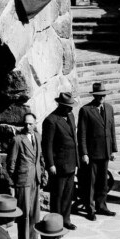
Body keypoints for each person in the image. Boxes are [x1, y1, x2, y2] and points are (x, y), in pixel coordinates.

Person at [77, 82, 117, 220]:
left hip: (105, 151)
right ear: (94, 95)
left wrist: (113, 150)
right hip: (92, 154)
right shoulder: (86, 110)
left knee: (103, 182)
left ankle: (102, 206)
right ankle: (90, 208)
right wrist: (84, 153)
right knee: (90, 183)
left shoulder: (109, 108)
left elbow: (112, 130)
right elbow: (81, 134)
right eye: (99, 95)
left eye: (103, 95)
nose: (101, 98)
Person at [42, 92, 79, 230]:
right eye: (68, 106)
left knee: (69, 194)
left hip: (71, 162)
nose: (71, 109)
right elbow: (47, 145)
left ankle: (66, 219)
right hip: (58, 165)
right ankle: (55, 223)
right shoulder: (51, 120)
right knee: (57, 195)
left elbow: (74, 139)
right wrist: (50, 164)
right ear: (61, 105)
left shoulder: (70, 116)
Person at [7, 113, 44, 239]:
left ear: (35, 123)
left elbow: (40, 157)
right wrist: (13, 181)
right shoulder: (18, 139)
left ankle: (34, 238)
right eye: (25, 123)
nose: (27, 126)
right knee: (24, 211)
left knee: (35, 211)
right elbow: (11, 162)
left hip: (36, 178)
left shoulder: (38, 137)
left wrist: (42, 173)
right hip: (23, 179)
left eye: (30, 123)